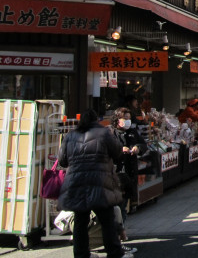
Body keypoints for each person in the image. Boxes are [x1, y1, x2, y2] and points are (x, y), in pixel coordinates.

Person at [57, 109, 133, 258]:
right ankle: (114, 252)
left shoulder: (70, 136)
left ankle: (81, 254)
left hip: (77, 183)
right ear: (96, 120)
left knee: (80, 221)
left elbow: (62, 161)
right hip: (100, 182)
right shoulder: (104, 134)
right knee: (107, 219)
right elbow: (117, 152)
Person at [110, 107, 147, 244]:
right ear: (117, 119)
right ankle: (118, 233)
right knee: (117, 205)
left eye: (129, 118)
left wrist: (138, 148)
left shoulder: (132, 132)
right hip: (115, 174)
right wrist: (120, 150)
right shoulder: (110, 133)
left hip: (129, 173)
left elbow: (143, 145)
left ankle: (120, 232)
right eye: (124, 118)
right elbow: (106, 149)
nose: (127, 121)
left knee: (123, 203)